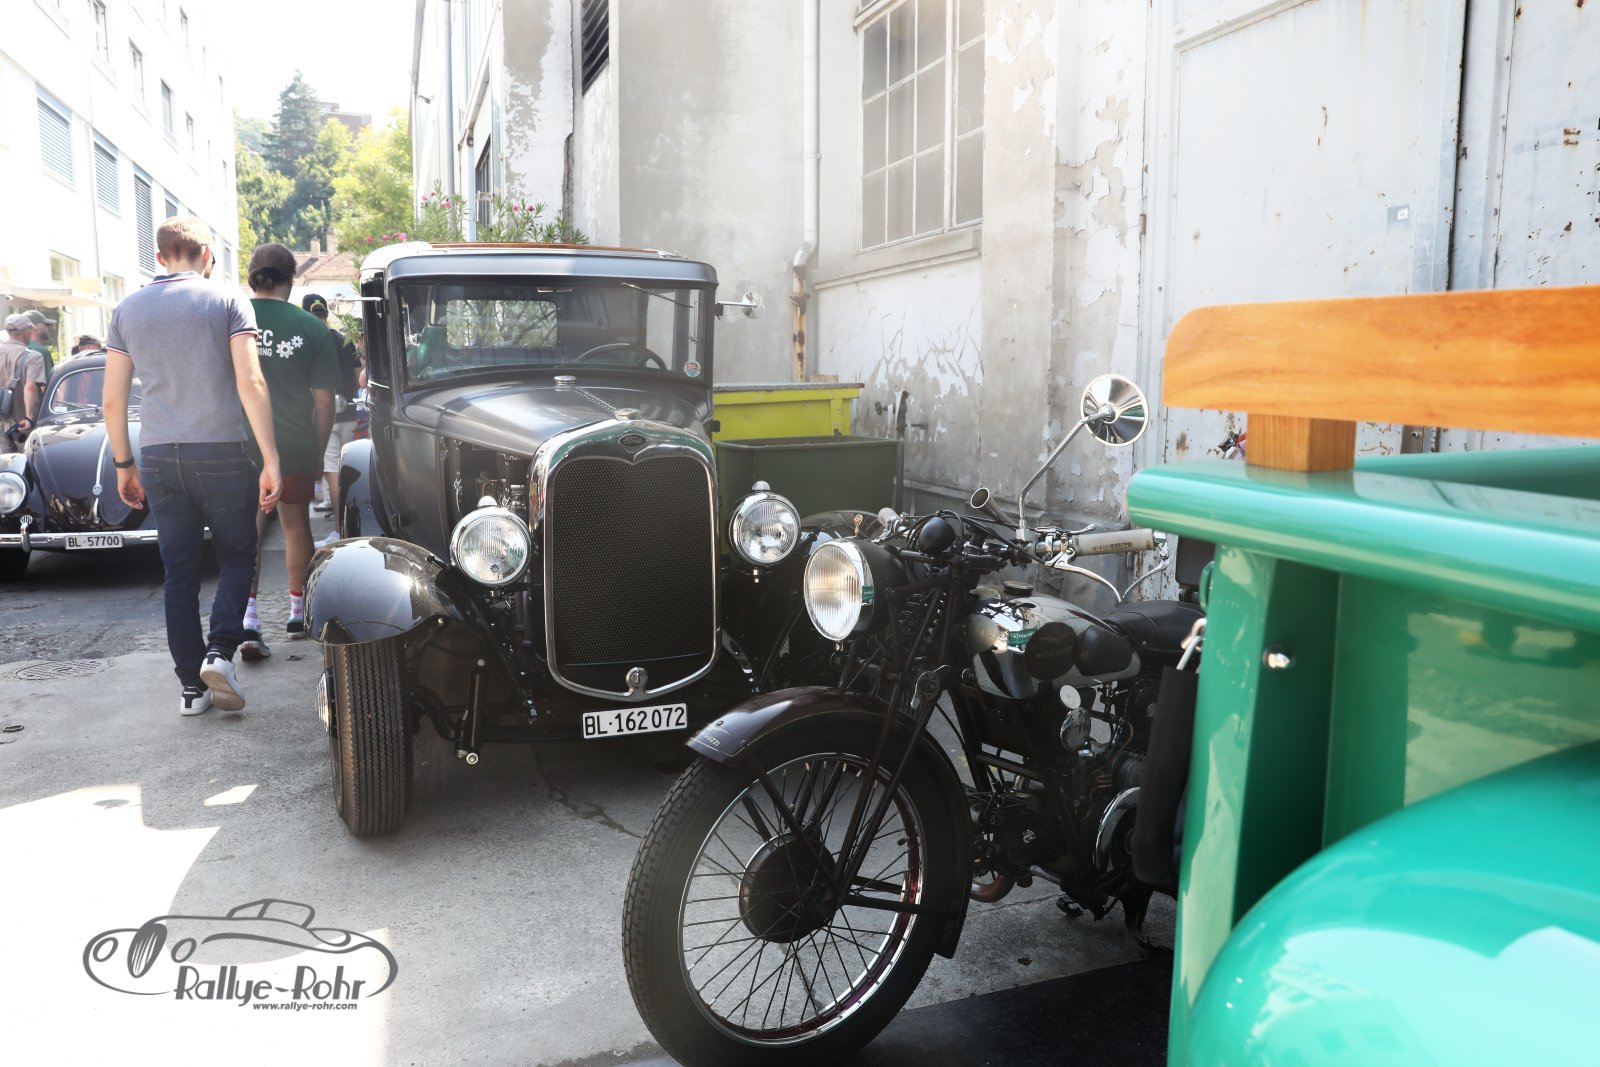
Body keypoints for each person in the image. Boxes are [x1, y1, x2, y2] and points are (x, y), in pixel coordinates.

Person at [103, 216, 282, 716]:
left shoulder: (128, 309)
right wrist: (271, 458)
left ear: (160, 257)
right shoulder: (227, 299)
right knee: (237, 556)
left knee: (178, 574)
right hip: (220, 451)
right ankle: (220, 652)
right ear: (207, 255)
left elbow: (113, 400)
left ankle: (191, 688)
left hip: (159, 455)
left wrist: (123, 464)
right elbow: (252, 382)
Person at [236, 246, 339, 661]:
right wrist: (317, 449)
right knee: (296, 526)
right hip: (294, 442)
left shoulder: (232, 319)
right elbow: (325, 401)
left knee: (248, 531)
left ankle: (249, 619)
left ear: (252, 276)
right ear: (291, 279)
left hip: (241, 443)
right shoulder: (311, 327)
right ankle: (298, 613)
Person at [300, 293, 361, 539]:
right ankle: (354, 526)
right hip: (350, 413)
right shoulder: (344, 340)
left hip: (324, 416)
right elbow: (359, 376)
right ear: (326, 312)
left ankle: (340, 531)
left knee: (333, 473)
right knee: (351, 471)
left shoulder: (308, 341)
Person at [0, 315, 47, 451]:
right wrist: (29, 417)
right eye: (30, 330)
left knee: (5, 462)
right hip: (21, 424)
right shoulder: (33, 356)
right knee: (28, 459)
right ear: (25, 332)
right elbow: (30, 387)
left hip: (1, 422)